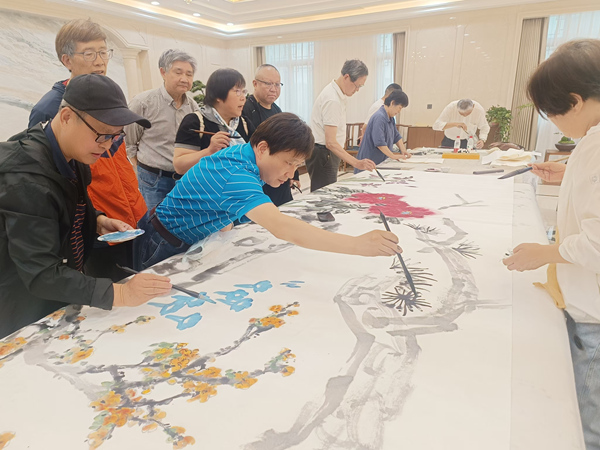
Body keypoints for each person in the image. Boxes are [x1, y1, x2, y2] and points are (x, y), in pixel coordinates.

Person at [0, 74, 172, 339]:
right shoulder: (27, 180)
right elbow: (41, 274)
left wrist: (98, 220)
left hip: (60, 283)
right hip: (23, 304)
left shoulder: (69, 151)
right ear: (67, 117)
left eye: (115, 137)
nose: (107, 146)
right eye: (102, 135)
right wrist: (121, 293)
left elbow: (65, 202)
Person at [133, 113, 400, 271]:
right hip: (161, 243)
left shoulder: (247, 157)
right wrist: (356, 245)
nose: (290, 174)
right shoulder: (236, 174)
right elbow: (282, 227)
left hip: (181, 236)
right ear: (262, 148)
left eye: (296, 166)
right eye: (288, 163)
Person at [502, 39, 600, 449]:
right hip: (587, 305)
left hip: (594, 315)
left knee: (588, 415)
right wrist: (567, 175)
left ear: (575, 101)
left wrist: (544, 253)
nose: (555, 124)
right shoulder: (592, 140)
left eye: (553, 113)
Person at [28, 18, 146, 281]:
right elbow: (53, 180)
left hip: (130, 214)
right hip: (97, 224)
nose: (100, 61)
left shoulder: (109, 95)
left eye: (104, 52)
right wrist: (95, 218)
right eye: (89, 54)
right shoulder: (50, 109)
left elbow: (119, 157)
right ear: (67, 60)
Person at [125, 49, 199, 210]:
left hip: (184, 180)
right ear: (163, 72)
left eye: (189, 74)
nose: (184, 79)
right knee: (155, 223)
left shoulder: (193, 107)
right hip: (153, 180)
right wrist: (138, 170)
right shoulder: (143, 103)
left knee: (181, 222)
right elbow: (129, 142)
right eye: (178, 72)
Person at [307, 59, 376, 192]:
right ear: (346, 77)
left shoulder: (337, 94)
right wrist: (356, 163)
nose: (357, 90)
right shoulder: (332, 99)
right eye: (357, 86)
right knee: (324, 196)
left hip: (327, 153)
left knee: (326, 193)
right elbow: (331, 143)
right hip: (324, 154)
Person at [172, 68, 253, 175]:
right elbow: (179, 167)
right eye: (237, 91)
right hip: (205, 185)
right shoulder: (195, 121)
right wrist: (209, 151)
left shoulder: (244, 123)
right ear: (218, 95)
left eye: (244, 92)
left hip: (238, 183)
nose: (243, 98)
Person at [242, 64, 300, 206]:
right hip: (259, 180)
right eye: (268, 84)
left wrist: (294, 175)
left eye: (277, 84)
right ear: (255, 84)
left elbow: (288, 145)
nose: (273, 89)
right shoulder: (246, 110)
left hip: (280, 178)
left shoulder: (277, 110)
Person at [355, 89, 411, 173]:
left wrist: (403, 150)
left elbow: (396, 136)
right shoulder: (379, 117)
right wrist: (393, 156)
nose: (399, 111)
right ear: (392, 103)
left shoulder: (390, 118)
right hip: (370, 162)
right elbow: (379, 143)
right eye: (399, 108)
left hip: (380, 161)